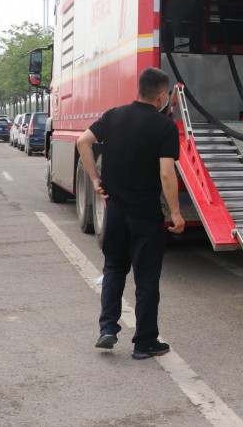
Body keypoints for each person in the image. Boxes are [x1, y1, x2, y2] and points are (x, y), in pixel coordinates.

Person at [76, 67, 186, 360]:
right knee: (147, 278)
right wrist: (176, 213)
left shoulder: (114, 116)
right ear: (163, 95)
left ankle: (108, 328)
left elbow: (82, 142)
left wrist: (95, 179)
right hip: (145, 215)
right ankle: (145, 343)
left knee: (114, 269)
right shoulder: (164, 128)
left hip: (115, 213)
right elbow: (166, 174)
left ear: (139, 89)